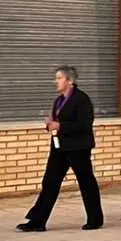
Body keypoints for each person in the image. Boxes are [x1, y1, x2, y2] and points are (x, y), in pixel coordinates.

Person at [18, 66, 103, 232]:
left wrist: (61, 125)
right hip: (59, 147)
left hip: (78, 148)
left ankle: (95, 219)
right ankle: (37, 221)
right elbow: (57, 123)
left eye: (59, 78)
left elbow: (84, 125)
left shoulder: (81, 100)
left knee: (86, 182)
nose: (56, 82)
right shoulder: (59, 100)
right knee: (50, 182)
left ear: (69, 81)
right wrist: (51, 125)